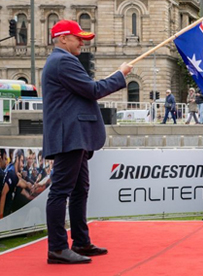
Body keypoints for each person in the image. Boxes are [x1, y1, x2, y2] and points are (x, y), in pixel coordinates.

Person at [42, 19, 131, 264]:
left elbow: (87, 89)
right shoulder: (63, 61)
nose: (82, 42)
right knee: (61, 191)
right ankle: (57, 248)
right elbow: (93, 90)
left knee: (80, 190)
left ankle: (80, 241)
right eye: (78, 38)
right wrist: (120, 75)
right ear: (63, 38)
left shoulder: (61, 61)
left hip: (74, 135)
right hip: (70, 135)